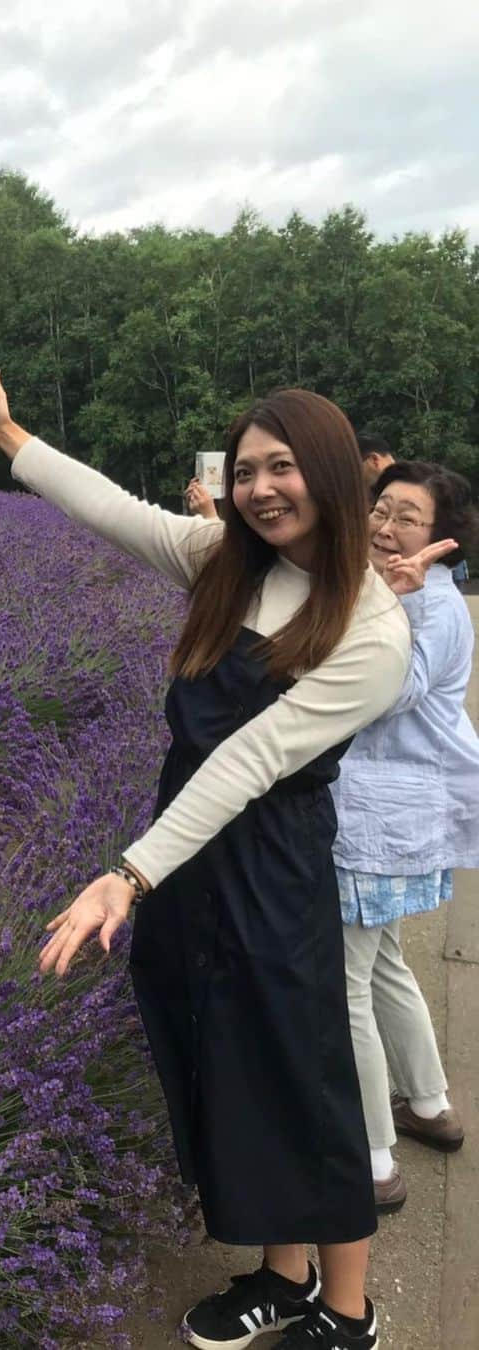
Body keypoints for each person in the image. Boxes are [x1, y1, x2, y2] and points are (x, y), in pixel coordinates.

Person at [0, 371, 455, 1350]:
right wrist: (14, 441)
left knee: (301, 1077)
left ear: (332, 476)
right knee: (229, 1066)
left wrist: (128, 873)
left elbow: (254, 757)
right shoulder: (229, 559)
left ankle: (347, 1315)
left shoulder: (371, 630)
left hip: (270, 862)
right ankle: (281, 1272)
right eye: (250, 468)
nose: (264, 487)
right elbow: (116, 513)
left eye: (286, 467)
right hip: (189, 845)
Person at [334, 461, 479, 1214]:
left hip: (377, 814)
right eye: (380, 510)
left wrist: (372, 604)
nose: (385, 528)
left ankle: (373, 1159)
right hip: (389, 806)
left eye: (407, 519)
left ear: (443, 541)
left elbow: (392, 689)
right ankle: (428, 1104)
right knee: (383, 960)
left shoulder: (425, 603)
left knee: (345, 982)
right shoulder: (425, 595)